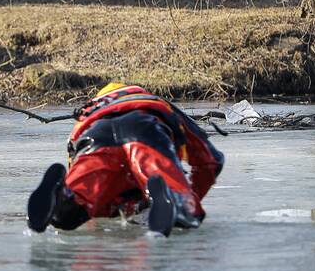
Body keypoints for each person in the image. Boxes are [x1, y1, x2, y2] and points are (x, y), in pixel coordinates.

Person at [26, 82, 224, 237]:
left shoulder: (88, 113)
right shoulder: (156, 103)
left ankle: (62, 198)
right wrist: (190, 195)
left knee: (69, 214)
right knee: (187, 214)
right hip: (146, 131)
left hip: (95, 137)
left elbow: (95, 204)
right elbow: (212, 161)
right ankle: (172, 197)